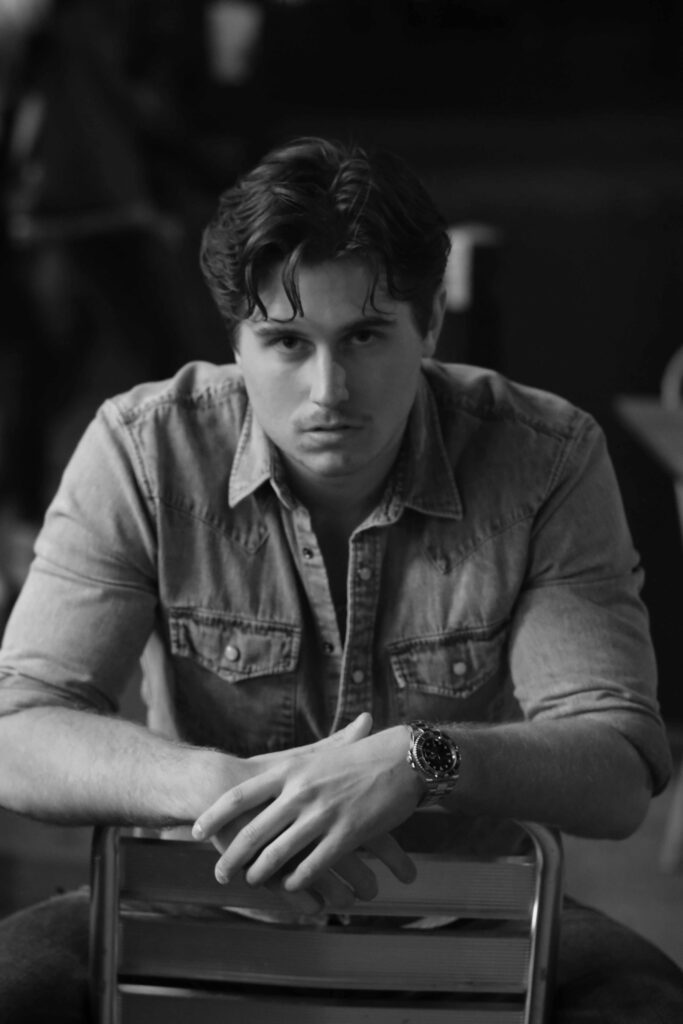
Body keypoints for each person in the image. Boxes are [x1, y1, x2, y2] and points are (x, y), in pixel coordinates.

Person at [0, 135, 682, 1023]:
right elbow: (17, 734)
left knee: (647, 1005)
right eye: (285, 341)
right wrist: (217, 788)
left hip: (470, 914)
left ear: (430, 321)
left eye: (364, 335)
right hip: (192, 901)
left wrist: (416, 760)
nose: (328, 390)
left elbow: (618, 764)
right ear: (235, 341)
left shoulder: (542, 458)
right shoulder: (144, 448)